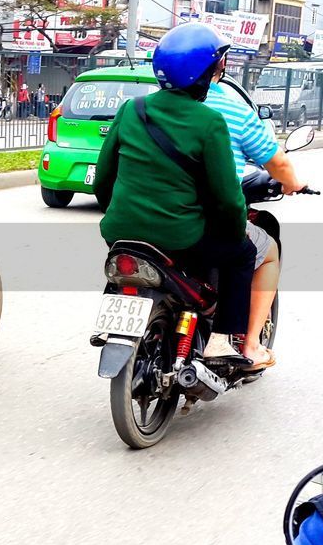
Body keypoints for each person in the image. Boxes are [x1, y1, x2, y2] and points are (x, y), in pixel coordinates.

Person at [92, 22, 259, 364]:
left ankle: (114, 316)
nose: (219, 71)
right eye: (217, 65)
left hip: (119, 233)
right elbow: (228, 199)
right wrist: (235, 228)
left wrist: (123, 216)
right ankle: (222, 340)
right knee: (243, 254)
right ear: (203, 74)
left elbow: (102, 182)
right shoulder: (209, 121)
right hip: (180, 238)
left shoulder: (131, 109)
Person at [202, 48, 307, 370]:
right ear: (219, 66)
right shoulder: (226, 112)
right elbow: (276, 161)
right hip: (199, 224)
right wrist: (292, 184)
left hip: (132, 226)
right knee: (260, 250)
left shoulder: (138, 110)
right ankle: (248, 344)